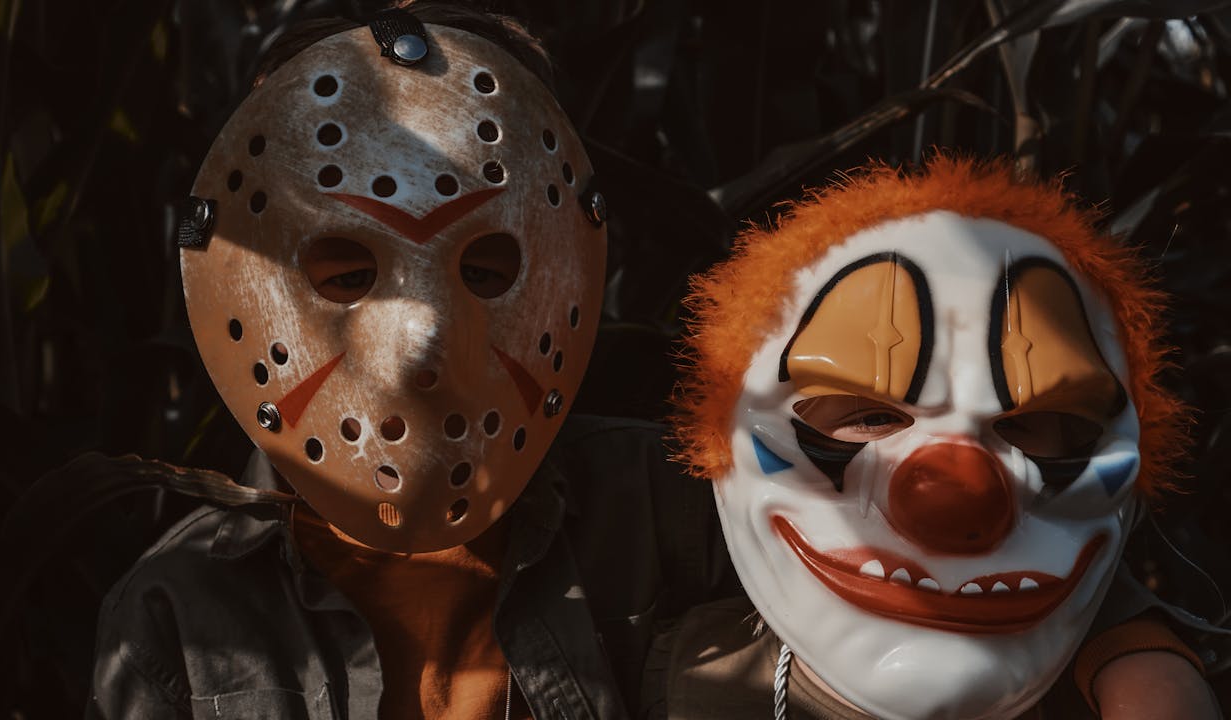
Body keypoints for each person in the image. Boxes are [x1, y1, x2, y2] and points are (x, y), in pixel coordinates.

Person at [86, 5, 732, 718]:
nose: (422, 339)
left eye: (486, 274)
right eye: (346, 277)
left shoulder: (675, 513)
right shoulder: (178, 610)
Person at [658, 156, 1220, 719]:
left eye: (1024, 425)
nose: (956, 501)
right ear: (717, 434)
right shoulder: (658, 658)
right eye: (871, 416)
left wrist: (1140, 658)